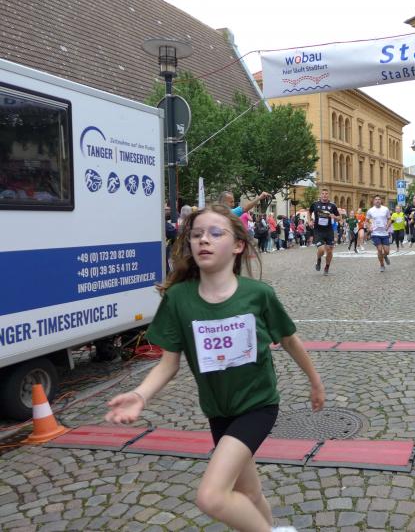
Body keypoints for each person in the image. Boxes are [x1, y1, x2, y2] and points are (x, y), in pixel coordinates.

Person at [105, 204, 323, 532]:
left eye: (215, 233)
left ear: (238, 245)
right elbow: (168, 364)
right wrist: (140, 395)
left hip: (258, 405)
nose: (203, 240)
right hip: (218, 410)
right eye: (196, 235)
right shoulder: (178, 299)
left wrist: (315, 382)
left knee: (211, 496)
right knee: (248, 493)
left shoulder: (258, 295)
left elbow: (290, 340)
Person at [308, 189, 340, 275]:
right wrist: (310, 221)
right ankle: (318, 260)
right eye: (323, 194)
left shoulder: (332, 205)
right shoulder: (315, 204)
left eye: (326, 194)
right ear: (320, 195)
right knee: (321, 250)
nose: (324, 195)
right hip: (318, 230)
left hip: (329, 231)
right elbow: (309, 211)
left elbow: (339, 217)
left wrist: (334, 217)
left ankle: (327, 267)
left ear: (328, 195)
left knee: (329, 250)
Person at [366, 195, 392, 272]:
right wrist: (369, 227)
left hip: (384, 233)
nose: (377, 201)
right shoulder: (370, 210)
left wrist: (388, 225)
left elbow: (389, 219)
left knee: (387, 251)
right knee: (379, 249)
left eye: (379, 199)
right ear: (373, 201)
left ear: (381, 201)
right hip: (375, 233)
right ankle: (382, 265)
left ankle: (385, 256)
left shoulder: (385, 209)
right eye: (376, 199)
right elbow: (366, 221)